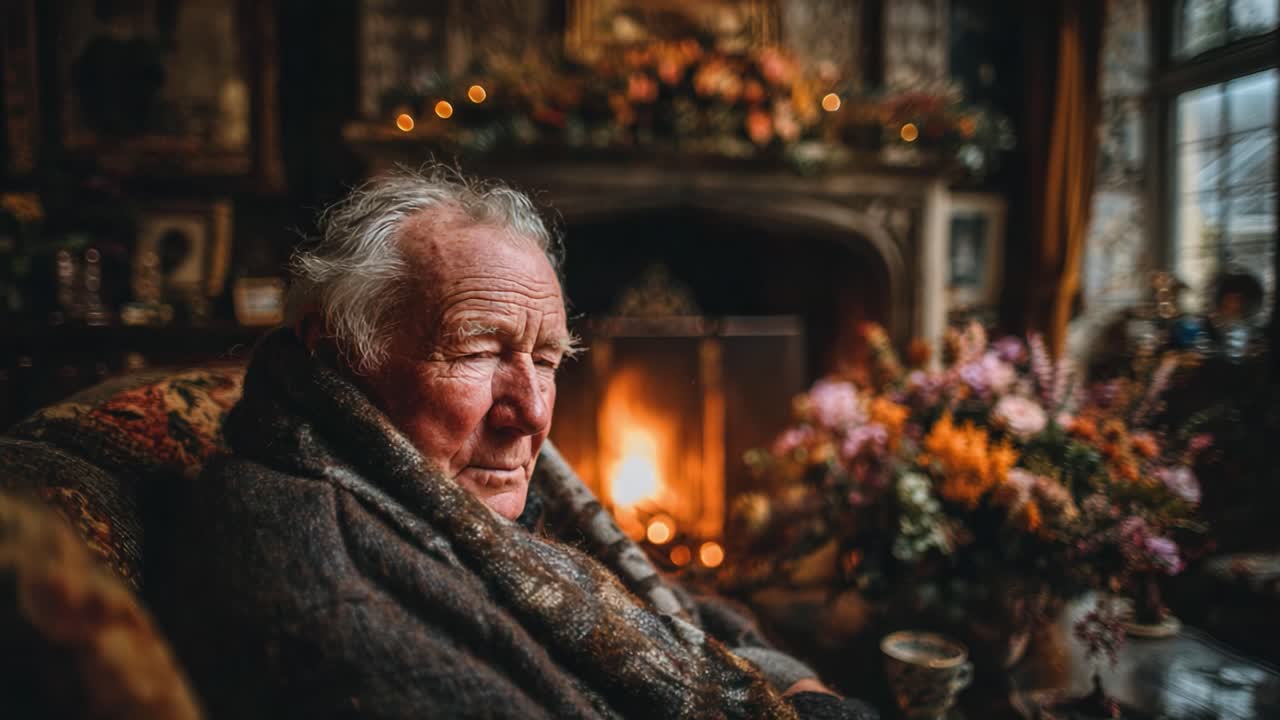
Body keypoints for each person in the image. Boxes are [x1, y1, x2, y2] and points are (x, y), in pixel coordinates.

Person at [151, 164, 876, 719]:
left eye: (548, 360)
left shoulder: (436, 484)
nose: (530, 411)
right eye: (475, 351)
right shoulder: (318, 576)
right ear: (338, 349)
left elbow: (663, 604)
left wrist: (790, 681)